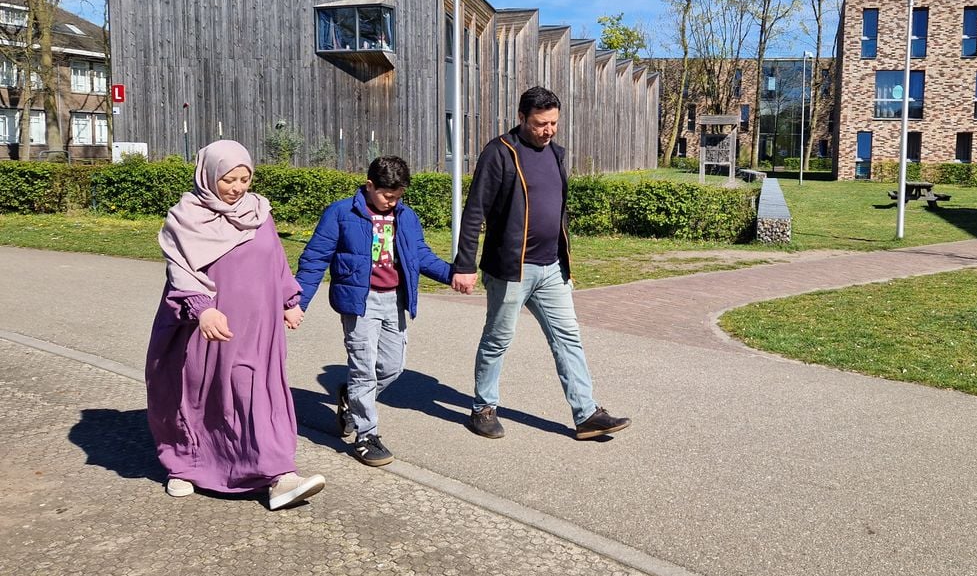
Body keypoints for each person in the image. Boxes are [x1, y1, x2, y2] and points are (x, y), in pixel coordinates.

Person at [146, 140, 324, 511]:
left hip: (259, 325)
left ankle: (279, 475)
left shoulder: (258, 212)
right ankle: (186, 466)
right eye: (229, 179)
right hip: (206, 327)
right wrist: (202, 308)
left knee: (258, 392)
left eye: (245, 178)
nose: (238, 187)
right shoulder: (187, 216)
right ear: (209, 175)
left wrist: (290, 301)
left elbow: (275, 260)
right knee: (198, 395)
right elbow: (180, 269)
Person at [451, 86, 631, 441]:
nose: (548, 130)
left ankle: (586, 414)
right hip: (511, 269)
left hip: (552, 267)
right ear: (521, 118)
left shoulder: (556, 154)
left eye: (553, 123)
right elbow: (474, 213)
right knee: (498, 339)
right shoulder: (500, 153)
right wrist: (464, 264)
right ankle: (483, 408)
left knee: (569, 338)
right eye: (540, 124)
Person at [295, 156, 453, 466]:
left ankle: (352, 398)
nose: (392, 202)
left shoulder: (405, 217)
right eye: (387, 195)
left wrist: (452, 274)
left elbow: (420, 254)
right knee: (363, 370)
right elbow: (314, 259)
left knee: (393, 366)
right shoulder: (341, 213)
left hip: (394, 300)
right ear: (369, 186)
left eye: (398, 196)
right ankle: (366, 435)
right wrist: (297, 303)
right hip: (359, 302)